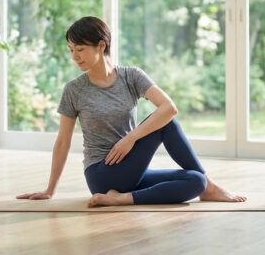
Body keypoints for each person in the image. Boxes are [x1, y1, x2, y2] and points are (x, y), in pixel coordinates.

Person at [16, 16, 246, 207]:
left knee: (196, 181)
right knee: (167, 125)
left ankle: (123, 199)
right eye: (71, 50)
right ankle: (211, 186)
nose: (74, 57)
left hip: (131, 170)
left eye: (80, 49)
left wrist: (130, 138)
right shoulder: (74, 90)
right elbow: (63, 142)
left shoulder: (131, 76)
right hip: (102, 173)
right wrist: (50, 190)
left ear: (101, 46)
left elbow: (169, 107)